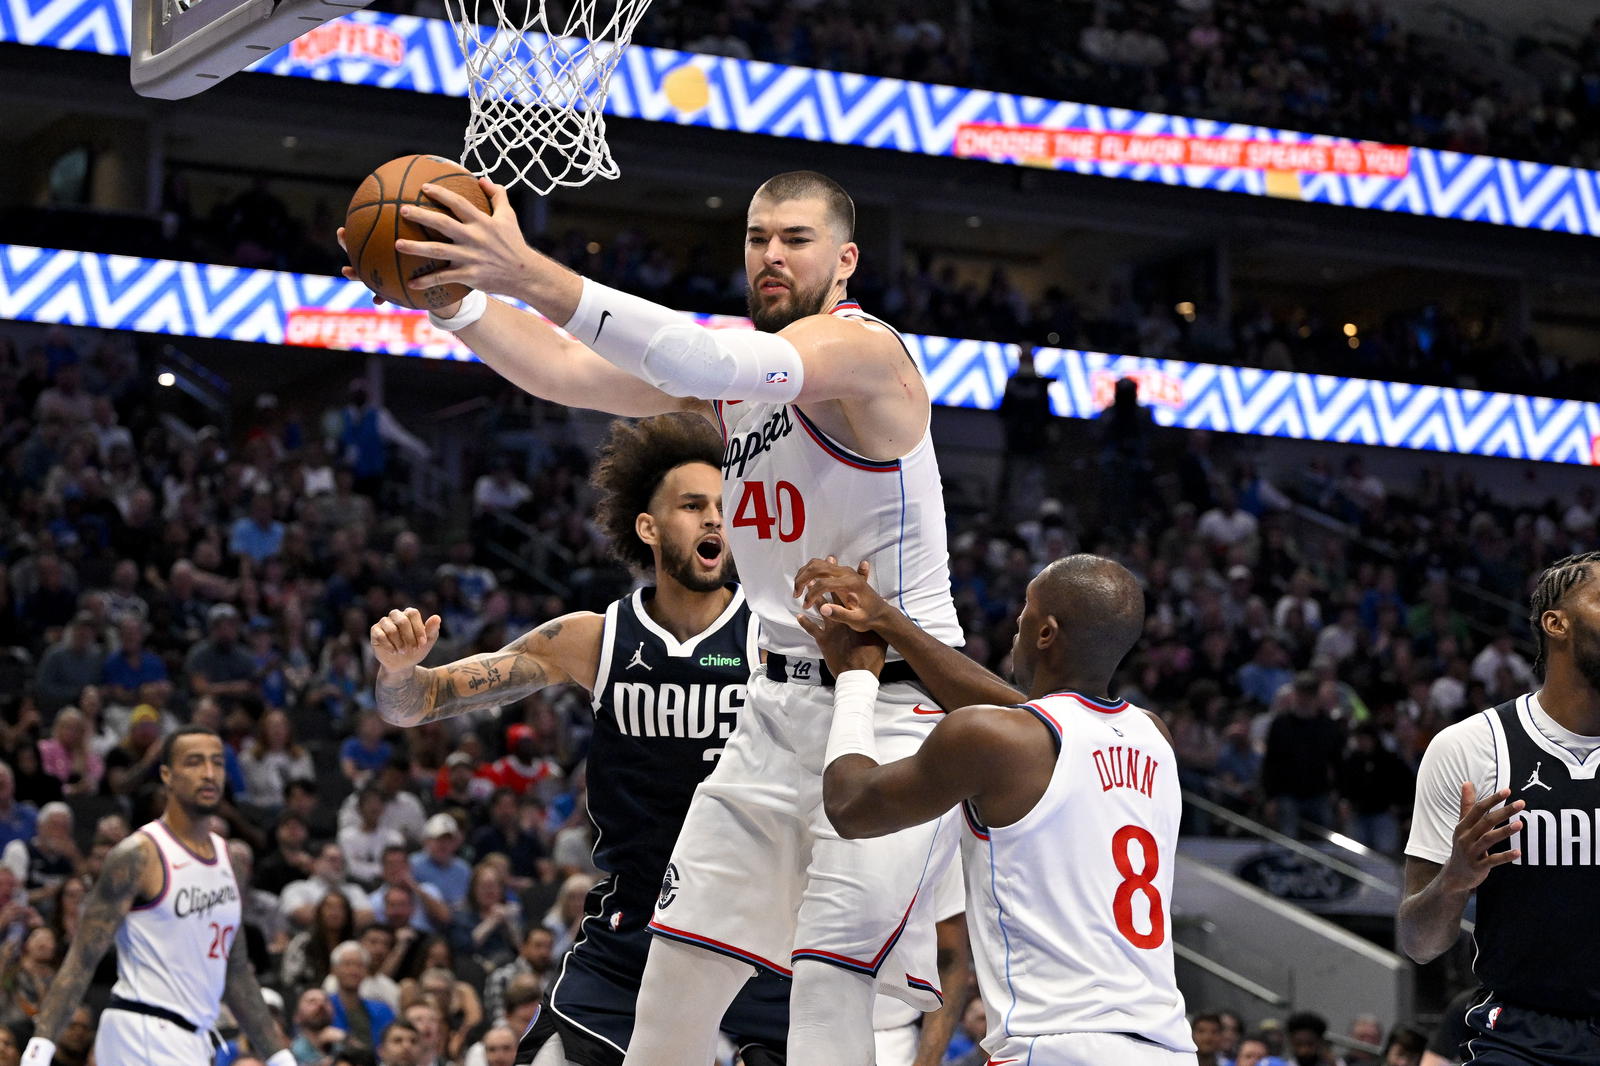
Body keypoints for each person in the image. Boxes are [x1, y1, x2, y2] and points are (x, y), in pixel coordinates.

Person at [347, 166, 965, 1066]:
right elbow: (566, 371)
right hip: (776, 707)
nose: (772, 256)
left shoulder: (868, 354)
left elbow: (699, 357)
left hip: (893, 710)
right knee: (675, 977)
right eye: (757, 239)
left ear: (846, 258)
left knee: (829, 999)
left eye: (795, 239)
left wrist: (523, 271)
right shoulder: (740, 390)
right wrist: (452, 306)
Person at [371, 415, 790, 1066]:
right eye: (692, 506)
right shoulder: (593, 639)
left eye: (723, 507)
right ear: (648, 527)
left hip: (751, 936)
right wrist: (400, 670)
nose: (714, 520)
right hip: (632, 933)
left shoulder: (774, 639)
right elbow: (419, 702)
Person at [793, 553, 1195, 1065]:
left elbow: (849, 806)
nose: (1016, 626)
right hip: (1167, 1047)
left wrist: (855, 678)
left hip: (1057, 1045)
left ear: (1045, 633)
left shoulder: (999, 740)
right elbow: (1030, 718)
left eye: (1025, 612)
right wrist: (889, 621)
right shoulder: (1153, 736)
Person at [1398, 552, 1600, 1064]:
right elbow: (1418, 943)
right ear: (1557, 623)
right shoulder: (1468, 748)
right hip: (1520, 1037)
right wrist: (1454, 879)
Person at [20, 726, 293, 1066]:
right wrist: (39, 1048)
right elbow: (81, 958)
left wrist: (280, 1056)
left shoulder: (231, 861)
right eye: (194, 762)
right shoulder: (139, 855)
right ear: (167, 775)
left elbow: (235, 971)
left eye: (217, 763)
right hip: (141, 1030)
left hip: (193, 1038)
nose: (209, 774)